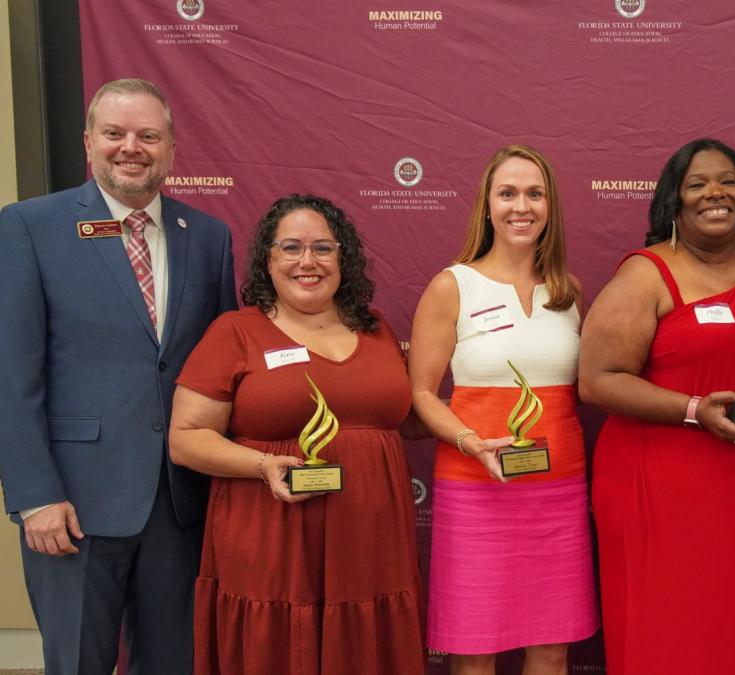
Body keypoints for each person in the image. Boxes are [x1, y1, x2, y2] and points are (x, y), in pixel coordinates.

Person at [0, 78, 235, 675]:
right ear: (88, 142)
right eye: (114, 133)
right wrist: (34, 497)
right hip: (73, 506)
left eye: (148, 136)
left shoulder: (209, 237)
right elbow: (12, 374)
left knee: (174, 664)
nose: (131, 147)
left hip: (179, 505)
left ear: (171, 149)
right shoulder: (30, 226)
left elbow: (222, 371)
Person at [580, 138, 735, 674]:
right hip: (666, 499)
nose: (716, 193)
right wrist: (692, 409)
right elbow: (597, 381)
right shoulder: (646, 274)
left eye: (729, 182)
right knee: (674, 638)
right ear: (674, 200)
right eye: (697, 184)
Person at [169, 194, 425, 674]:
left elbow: (411, 416)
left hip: (370, 545)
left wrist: (477, 426)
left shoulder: (376, 328)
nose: (308, 261)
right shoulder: (235, 332)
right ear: (268, 260)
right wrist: (262, 465)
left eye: (323, 248)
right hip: (272, 539)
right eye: (291, 247)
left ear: (343, 259)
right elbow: (185, 438)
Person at [409, 145, 597, 675]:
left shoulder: (569, 291)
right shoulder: (452, 286)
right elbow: (422, 394)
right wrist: (472, 443)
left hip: (558, 493)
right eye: (508, 193)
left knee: (552, 650)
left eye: (535, 194)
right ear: (487, 206)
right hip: (476, 490)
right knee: (474, 652)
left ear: (550, 207)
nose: (522, 207)